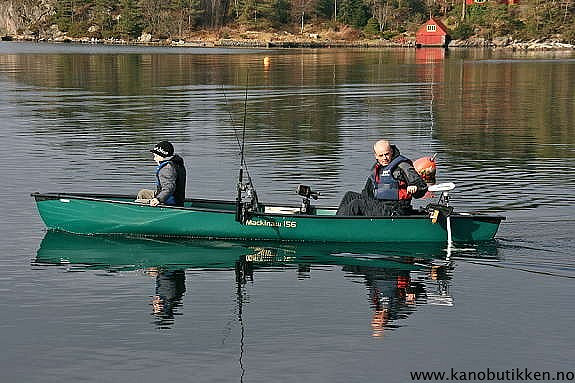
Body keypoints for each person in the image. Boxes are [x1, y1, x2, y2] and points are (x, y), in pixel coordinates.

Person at [336, 140, 427, 216]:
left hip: (396, 210)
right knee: (350, 196)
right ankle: (336, 221)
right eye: (381, 155)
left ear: (391, 151)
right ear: (375, 155)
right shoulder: (376, 169)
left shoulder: (403, 166)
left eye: (387, 154)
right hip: (380, 205)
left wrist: (416, 188)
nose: (384, 158)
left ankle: (338, 227)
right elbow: (366, 194)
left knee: (356, 204)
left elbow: (422, 186)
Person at [137, 140, 186, 206]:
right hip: (175, 198)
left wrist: (158, 199)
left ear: (163, 156)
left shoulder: (166, 168)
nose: (154, 159)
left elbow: (169, 188)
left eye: (156, 156)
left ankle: (145, 214)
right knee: (143, 193)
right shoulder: (177, 163)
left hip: (170, 202)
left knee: (138, 202)